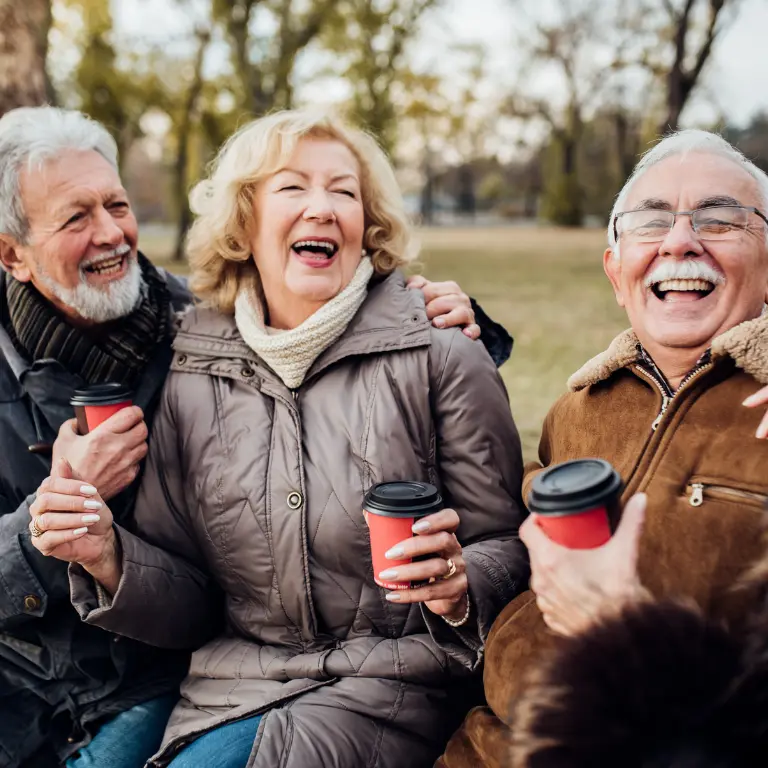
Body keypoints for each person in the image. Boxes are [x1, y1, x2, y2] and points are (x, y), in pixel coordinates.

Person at [0, 105, 502, 768]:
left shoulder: (187, 334)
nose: (112, 234)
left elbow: (501, 534)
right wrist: (80, 541)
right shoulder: (203, 358)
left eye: (117, 205)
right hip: (82, 688)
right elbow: (188, 583)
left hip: (232, 683)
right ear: (12, 254)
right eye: (75, 217)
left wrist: (463, 580)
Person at [439, 129, 768, 767]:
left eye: (720, 218)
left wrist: (627, 639)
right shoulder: (576, 410)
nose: (680, 240)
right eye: (649, 223)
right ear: (616, 273)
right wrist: (462, 592)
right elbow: (522, 570)